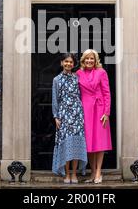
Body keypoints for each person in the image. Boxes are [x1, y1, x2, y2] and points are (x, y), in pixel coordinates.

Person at [76, 49, 112, 184]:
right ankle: (92, 171)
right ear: (83, 60)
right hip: (85, 109)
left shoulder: (101, 72)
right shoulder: (78, 74)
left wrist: (106, 113)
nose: (89, 61)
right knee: (89, 142)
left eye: (92, 58)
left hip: (100, 109)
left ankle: (98, 172)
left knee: (99, 142)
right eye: (87, 59)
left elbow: (107, 93)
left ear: (95, 60)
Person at [51, 53, 87, 184]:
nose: (68, 64)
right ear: (62, 63)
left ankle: (74, 174)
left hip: (77, 114)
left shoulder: (77, 78)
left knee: (76, 144)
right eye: (66, 61)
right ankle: (66, 173)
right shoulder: (57, 80)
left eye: (71, 62)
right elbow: (55, 99)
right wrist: (56, 116)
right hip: (64, 114)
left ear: (73, 64)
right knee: (67, 144)